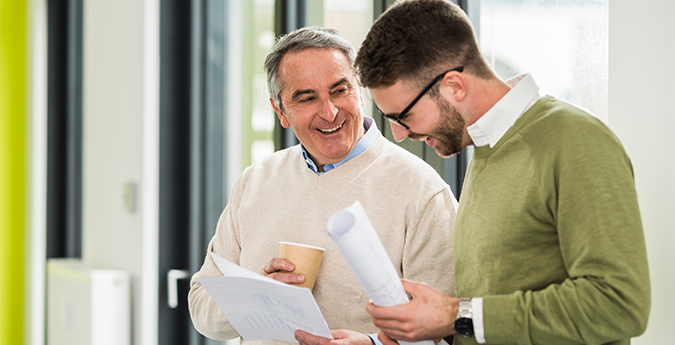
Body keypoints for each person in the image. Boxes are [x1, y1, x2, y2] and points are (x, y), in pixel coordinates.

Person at [353, 1, 651, 344]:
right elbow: (493, 307)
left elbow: (620, 304)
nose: (400, 135)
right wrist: (420, 331)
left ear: (454, 86)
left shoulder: (576, 141)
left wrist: (454, 316)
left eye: (402, 116)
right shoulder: (486, 146)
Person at [187, 26, 458, 345]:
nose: (329, 112)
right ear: (280, 111)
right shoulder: (255, 181)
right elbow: (201, 307)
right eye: (307, 98)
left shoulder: (422, 190)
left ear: (360, 91)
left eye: (340, 90)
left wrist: (371, 344)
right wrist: (257, 297)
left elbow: (444, 330)